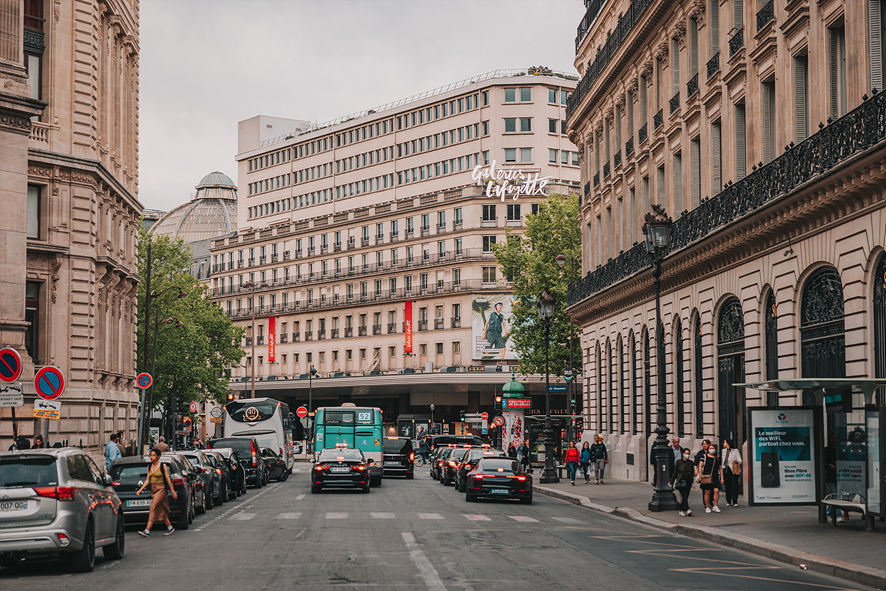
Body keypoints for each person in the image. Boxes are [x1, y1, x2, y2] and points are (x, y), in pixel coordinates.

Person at [135, 448, 178, 536]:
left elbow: (168, 479)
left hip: (161, 489)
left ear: (158, 457)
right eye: (151, 455)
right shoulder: (150, 466)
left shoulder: (163, 466)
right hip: (153, 489)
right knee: (161, 509)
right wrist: (140, 489)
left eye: (153, 455)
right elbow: (147, 480)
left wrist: (173, 491)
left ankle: (147, 530)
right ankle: (170, 527)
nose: (151, 457)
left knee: (153, 507)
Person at [696, 442, 723, 513]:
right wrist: (700, 475)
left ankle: (715, 505)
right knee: (707, 492)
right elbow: (700, 466)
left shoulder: (717, 458)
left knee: (716, 490)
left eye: (713, 448)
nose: (712, 450)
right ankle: (707, 506)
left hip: (715, 476)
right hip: (706, 476)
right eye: (710, 448)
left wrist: (722, 477)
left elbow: (720, 468)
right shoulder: (704, 456)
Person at [670, 448, 695, 517]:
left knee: (685, 497)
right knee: (683, 495)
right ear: (682, 454)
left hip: (688, 481)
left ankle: (681, 510)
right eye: (686, 453)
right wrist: (671, 481)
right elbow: (675, 472)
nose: (687, 455)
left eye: (688, 453)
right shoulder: (679, 462)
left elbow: (692, 472)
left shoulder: (690, 463)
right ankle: (688, 509)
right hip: (681, 481)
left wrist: (692, 477)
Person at [721, 439, 742, 507]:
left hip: (733, 469)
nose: (723, 443)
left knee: (734, 485)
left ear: (728, 443)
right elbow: (722, 460)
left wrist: (737, 461)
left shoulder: (735, 451)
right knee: (727, 486)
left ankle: (735, 501)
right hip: (726, 469)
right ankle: (728, 500)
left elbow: (740, 460)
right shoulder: (723, 451)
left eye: (724, 442)